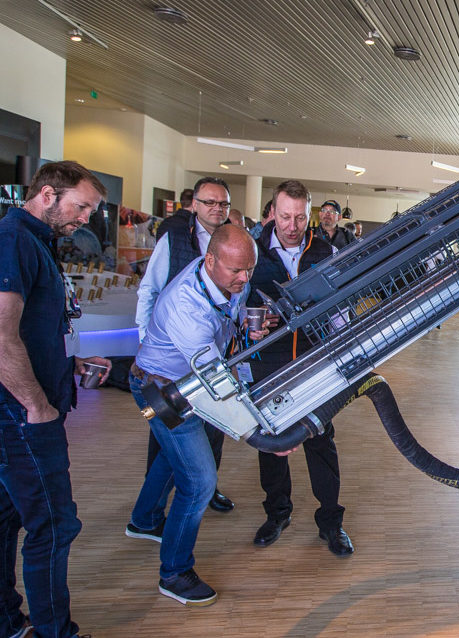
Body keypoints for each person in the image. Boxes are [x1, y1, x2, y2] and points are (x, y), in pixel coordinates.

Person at [0, 160, 112, 638]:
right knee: (54, 525)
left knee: (0, 520)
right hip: (13, 414)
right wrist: (38, 406)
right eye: (82, 206)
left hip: (10, 408)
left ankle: (1, 625)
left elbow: (27, 333)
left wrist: (68, 368)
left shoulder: (31, 242)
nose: (87, 218)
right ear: (47, 195)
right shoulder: (10, 242)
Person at [126, 224, 268, 606]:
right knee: (200, 481)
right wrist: (258, 432)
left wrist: (245, 333)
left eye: (249, 270)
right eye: (236, 271)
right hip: (160, 389)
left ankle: (143, 520)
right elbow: (215, 379)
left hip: (182, 383)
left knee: (176, 462)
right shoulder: (186, 304)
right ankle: (174, 573)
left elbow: (227, 333)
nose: (244, 279)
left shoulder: (226, 283)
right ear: (210, 260)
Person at [248, 180, 355, 556]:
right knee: (271, 443)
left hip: (314, 363)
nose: (292, 225)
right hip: (269, 365)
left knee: (321, 442)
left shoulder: (323, 249)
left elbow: (340, 305)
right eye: (284, 216)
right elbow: (236, 305)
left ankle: (331, 523)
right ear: (272, 212)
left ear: (308, 214)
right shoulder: (252, 250)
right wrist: (251, 328)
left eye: (299, 216)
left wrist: (344, 350)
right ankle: (277, 513)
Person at [135, 177, 235, 513]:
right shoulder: (175, 237)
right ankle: (158, 508)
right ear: (194, 204)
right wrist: (145, 340)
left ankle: (203, 490)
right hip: (168, 367)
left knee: (209, 433)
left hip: (209, 357)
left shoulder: (233, 238)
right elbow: (149, 289)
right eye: (209, 202)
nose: (216, 209)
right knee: (169, 439)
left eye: (222, 203)